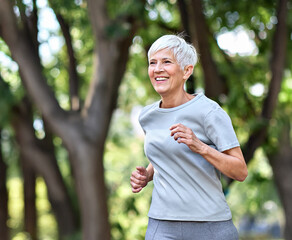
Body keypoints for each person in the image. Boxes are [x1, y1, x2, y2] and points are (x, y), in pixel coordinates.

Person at [130, 34, 248, 240]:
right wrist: (146, 175)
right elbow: (164, 156)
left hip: (211, 226)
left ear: (187, 70)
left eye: (166, 62)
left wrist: (199, 146)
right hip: (162, 225)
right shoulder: (148, 116)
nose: (157, 69)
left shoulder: (209, 112)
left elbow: (240, 171)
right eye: (152, 63)